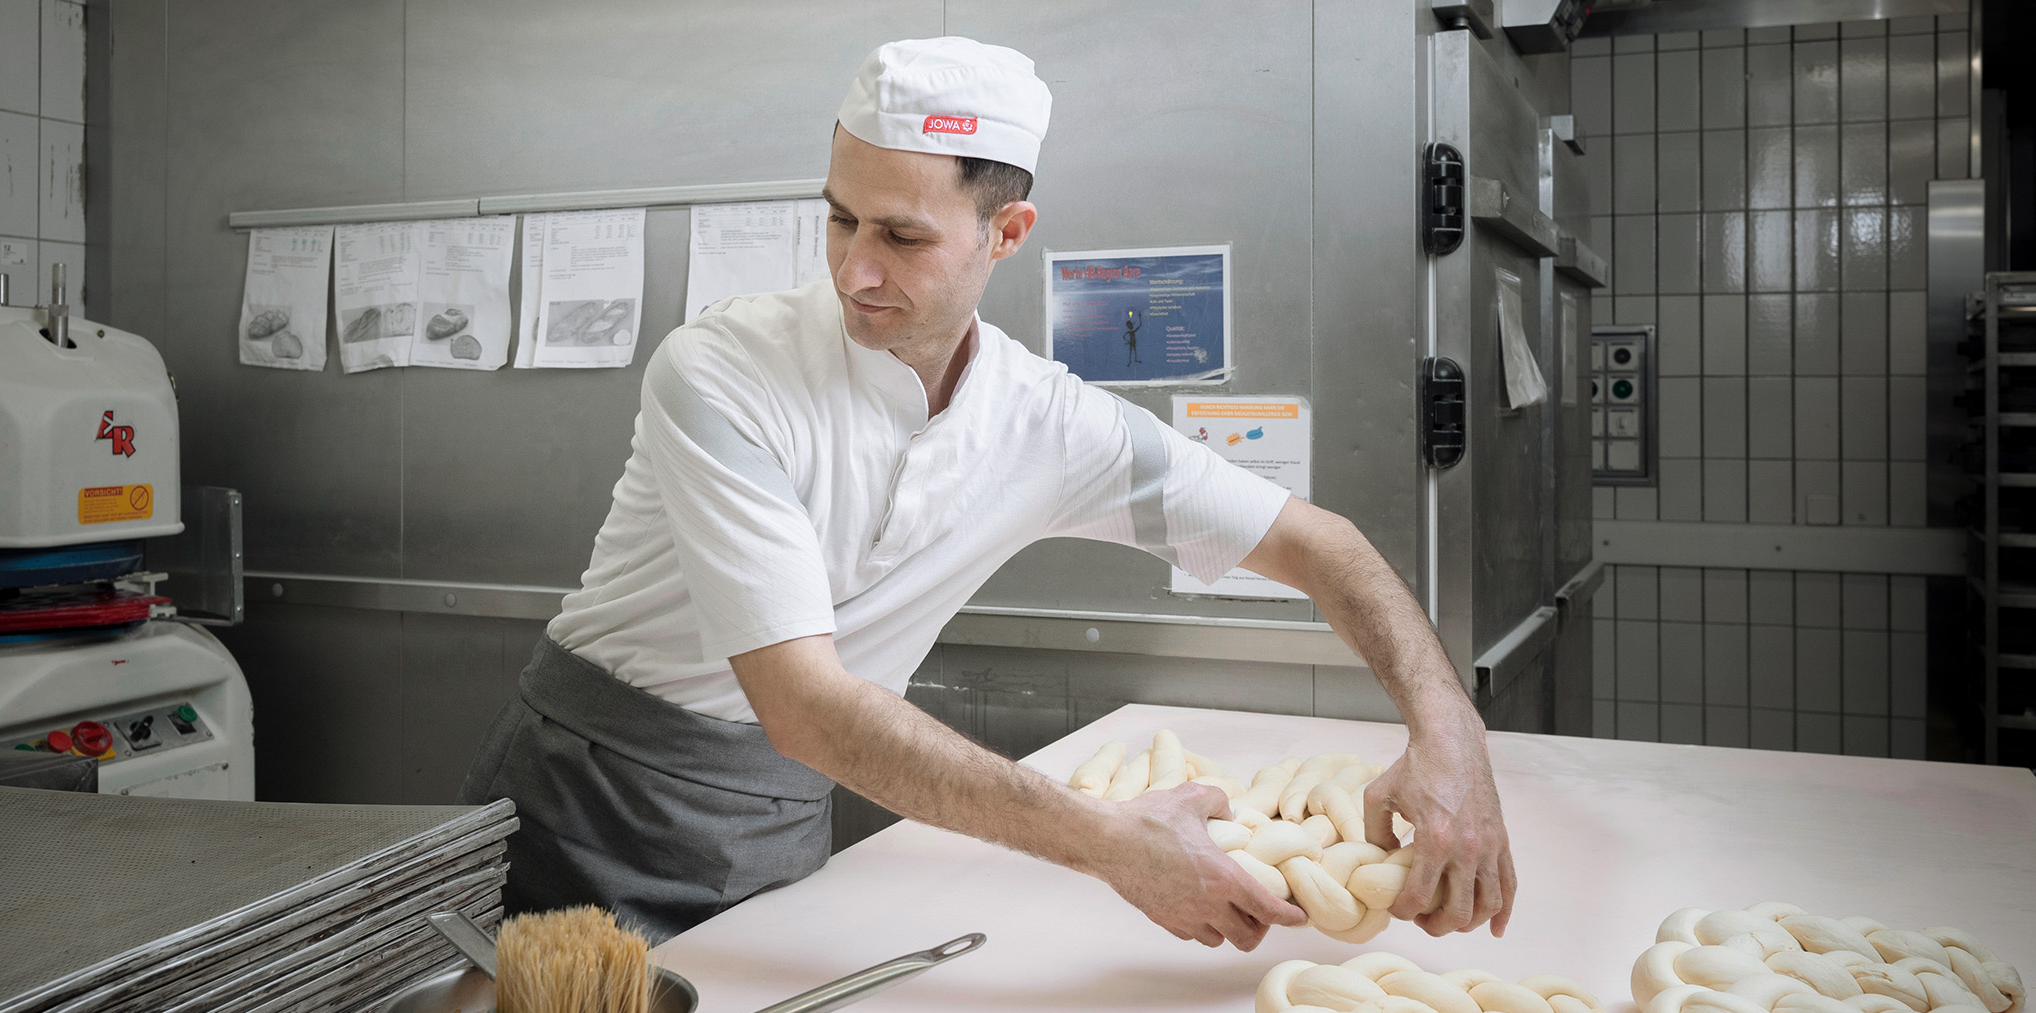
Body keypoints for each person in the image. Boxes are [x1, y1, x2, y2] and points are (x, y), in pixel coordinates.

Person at [461, 37, 1514, 948]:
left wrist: (1449, 731)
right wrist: (1111, 844)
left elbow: (1318, 543)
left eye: (902, 236)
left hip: (773, 830)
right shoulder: (722, 372)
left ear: (1006, 235)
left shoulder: (1042, 421)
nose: (855, 270)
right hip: (577, 814)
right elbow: (804, 705)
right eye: (841, 220)